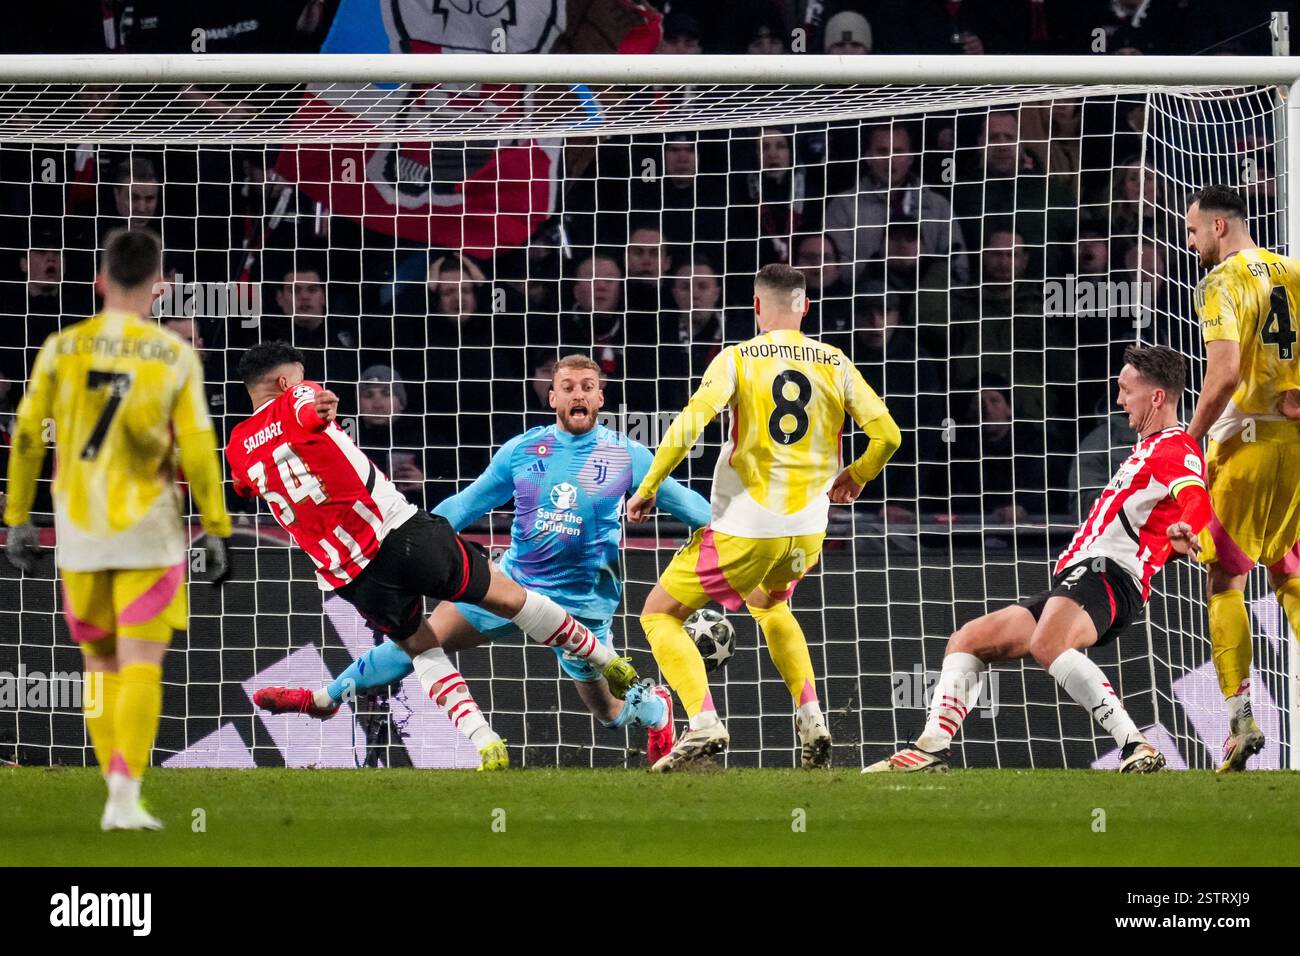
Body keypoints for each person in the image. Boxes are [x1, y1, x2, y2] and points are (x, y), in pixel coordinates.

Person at [256, 355, 712, 766]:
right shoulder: (521, 452)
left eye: (587, 387)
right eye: (568, 386)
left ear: (600, 397)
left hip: (584, 605)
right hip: (512, 586)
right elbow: (465, 505)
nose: (578, 394)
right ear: (552, 397)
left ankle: (657, 713)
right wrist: (404, 543)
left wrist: (732, 543)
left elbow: (689, 506)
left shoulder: (627, 455)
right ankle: (325, 698)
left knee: (611, 715)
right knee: (417, 641)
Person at [866, 346, 1210, 774]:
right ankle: (930, 748)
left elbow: (1196, 498)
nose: (1120, 400)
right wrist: (1172, 536)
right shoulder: (1148, 449)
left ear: (1156, 398)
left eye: (1126, 391)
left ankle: (1136, 744)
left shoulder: (1175, 447)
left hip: (1106, 576)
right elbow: (1161, 523)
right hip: (1082, 578)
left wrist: (1188, 526)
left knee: (1049, 645)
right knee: (968, 640)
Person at [627, 263, 902, 771]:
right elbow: (888, 435)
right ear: (805, 307)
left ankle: (704, 723)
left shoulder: (736, 358)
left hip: (746, 525)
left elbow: (689, 425)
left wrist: (647, 489)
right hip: (808, 528)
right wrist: (859, 475)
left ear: (756, 306)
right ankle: (812, 718)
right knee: (771, 607)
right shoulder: (834, 361)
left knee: (658, 613)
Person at [3, 228, 232, 830]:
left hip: (78, 531)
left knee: (99, 664)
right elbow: (200, 447)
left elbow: (27, 435)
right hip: (149, 534)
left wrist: (17, 517)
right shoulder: (174, 355)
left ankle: (115, 790)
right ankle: (123, 800)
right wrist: (214, 524)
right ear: (158, 289)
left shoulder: (60, 347)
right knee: (140, 664)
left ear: (99, 281)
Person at [1184, 184, 1300, 772]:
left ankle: (1239, 719)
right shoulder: (1294, 272)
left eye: (1193, 230)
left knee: (1225, 579)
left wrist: (1188, 437)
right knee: (1287, 566)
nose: (1190, 241)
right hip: (1296, 451)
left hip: (1246, 448)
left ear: (1220, 228)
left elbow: (1225, 372)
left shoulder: (1222, 282)